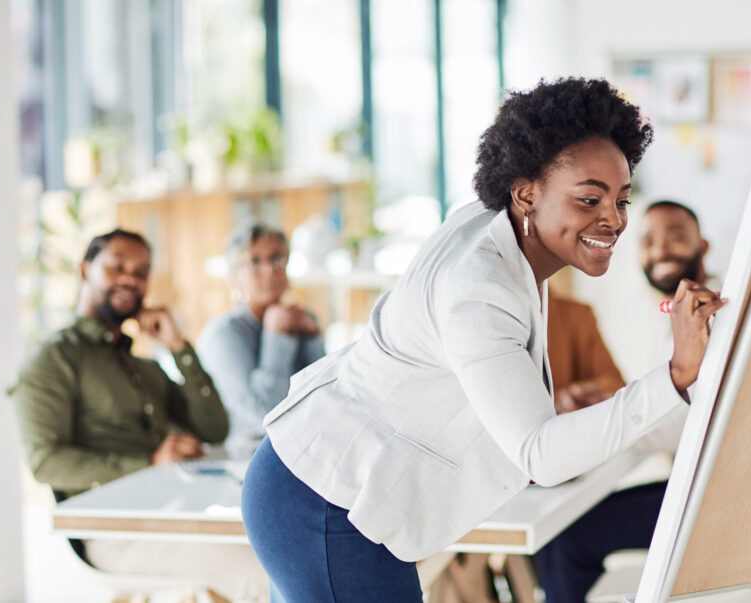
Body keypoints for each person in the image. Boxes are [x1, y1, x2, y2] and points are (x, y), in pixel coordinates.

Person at [240, 77, 725, 602]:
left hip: (318, 489)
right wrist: (677, 375)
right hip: (324, 508)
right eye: (589, 199)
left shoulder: (500, 229)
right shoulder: (478, 289)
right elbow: (540, 453)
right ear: (525, 193)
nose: (612, 220)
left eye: (621, 200)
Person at [11, 228, 269, 602]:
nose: (131, 278)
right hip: (115, 533)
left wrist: (179, 346)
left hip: (177, 513)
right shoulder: (54, 358)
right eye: (117, 267)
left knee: (289, 547)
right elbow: (46, 463)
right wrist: (150, 461)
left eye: (142, 271)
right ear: (85, 271)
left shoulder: (143, 364)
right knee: (264, 575)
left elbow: (214, 427)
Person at [535, 199, 712, 602]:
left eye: (676, 236)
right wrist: (611, 406)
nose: (661, 249)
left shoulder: (709, 312)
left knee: (566, 537)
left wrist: (609, 425)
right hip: (688, 487)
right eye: (648, 241)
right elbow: (675, 401)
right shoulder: (666, 316)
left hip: (712, 499)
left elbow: (687, 421)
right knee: (560, 534)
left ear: (703, 245)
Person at [197, 223, 325, 456]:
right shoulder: (223, 335)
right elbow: (265, 416)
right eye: (254, 263)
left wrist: (312, 338)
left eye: (277, 259)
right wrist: (277, 336)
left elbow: (325, 400)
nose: (269, 271)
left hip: (307, 451)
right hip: (249, 459)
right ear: (235, 277)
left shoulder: (302, 319)